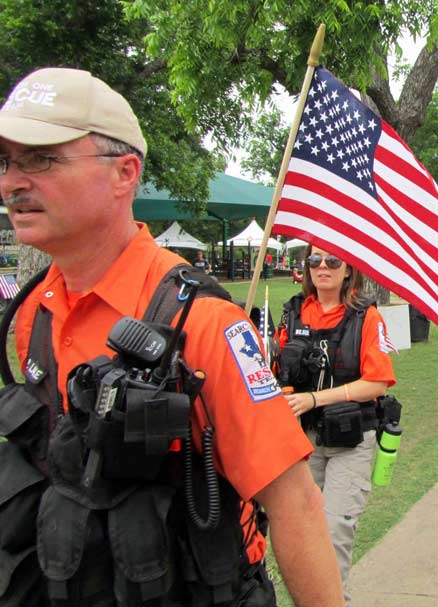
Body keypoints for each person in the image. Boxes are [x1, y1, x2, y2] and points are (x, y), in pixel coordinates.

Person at [0, 67, 343, 605]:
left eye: (42, 159)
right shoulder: (35, 313)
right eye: (6, 161)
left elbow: (294, 504)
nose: (13, 181)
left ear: (124, 173)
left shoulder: (202, 322)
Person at [275, 245, 396, 606]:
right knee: (300, 536)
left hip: (352, 441)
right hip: (302, 441)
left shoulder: (366, 317)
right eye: (314, 260)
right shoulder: (293, 314)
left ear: (348, 271)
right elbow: (278, 371)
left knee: (333, 534)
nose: (322, 267)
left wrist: (314, 399)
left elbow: (376, 383)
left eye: (332, 261)